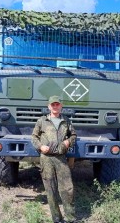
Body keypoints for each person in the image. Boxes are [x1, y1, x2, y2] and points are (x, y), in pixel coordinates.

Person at [32, 95, 77, 223]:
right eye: (53, 104)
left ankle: (71, 218)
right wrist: (41, 147)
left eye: (57, 104)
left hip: (61, 158)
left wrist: (68, 142)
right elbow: (34, 137)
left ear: (61, 106)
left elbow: (73, 135)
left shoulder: (66, 121)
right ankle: (57, 218)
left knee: (67, 188)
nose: (55, 106)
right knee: (50, 189)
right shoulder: (42, 121)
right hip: (46, 158)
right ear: (49, 107)